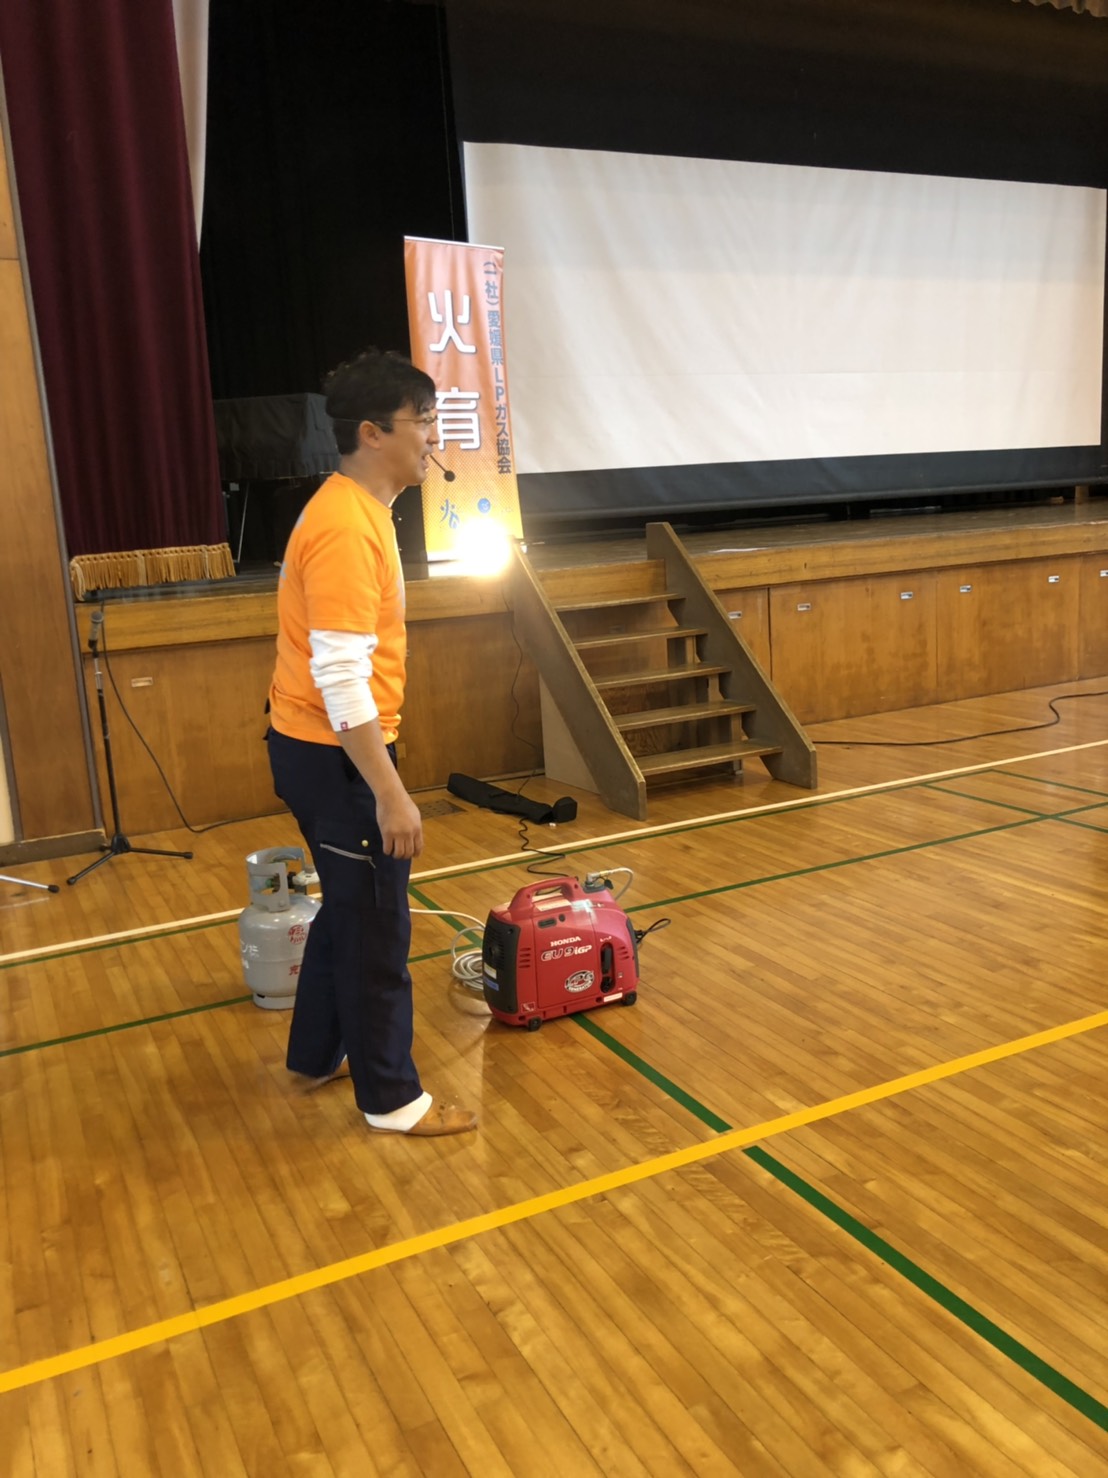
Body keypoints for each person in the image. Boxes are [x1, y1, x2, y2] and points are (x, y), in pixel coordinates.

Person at [267, 348, 478, 1137]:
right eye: (422, 423)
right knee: (378, 928)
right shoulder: (347, 529)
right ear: (371, 432)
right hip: (334, 757)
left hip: (315, 750)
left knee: (348, 910)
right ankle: (393, 1100)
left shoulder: (354, 510)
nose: (433, 438)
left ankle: (317, 1054)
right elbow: (341, 679)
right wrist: (390, 792)